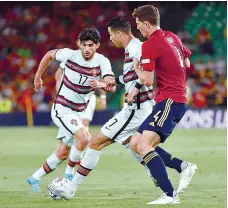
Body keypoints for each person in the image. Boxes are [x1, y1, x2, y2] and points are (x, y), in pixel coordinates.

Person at [48, 17, 156, 200]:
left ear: (119, 34)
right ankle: (164, 171)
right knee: (133, 144)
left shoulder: (135, 48)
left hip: (136, 108)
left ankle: (70, 188)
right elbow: (132, 77)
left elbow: (146, 76)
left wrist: (134, 91)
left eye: (111, 35)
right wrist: (109, 82)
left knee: (95, 142)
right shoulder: (133, 47)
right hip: (138, 107)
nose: (110, 39)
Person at [27, 28, 116, 192]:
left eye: (90, 45)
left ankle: (34, 178)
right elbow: (48, 55)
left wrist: (102, 85)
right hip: (62, 108)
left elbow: (111, 86)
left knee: (62, 153)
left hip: (77, 112)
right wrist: (38, 76)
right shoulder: (69, 55)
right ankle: (69, 176)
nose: (87, 49)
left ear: (97, 45)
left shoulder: (102, 61)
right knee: (84, 138)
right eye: (84, 45)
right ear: (80, 45)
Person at [129, 5, 197, 204]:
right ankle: (183, 166)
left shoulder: (149, 45)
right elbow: (187, 61)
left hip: (170, 100)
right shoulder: (172, 37)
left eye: (139, 25)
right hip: (174, 99)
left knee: (144, 145)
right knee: (135, 143)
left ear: (147, 23)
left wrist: (138, 69)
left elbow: (148, 81)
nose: (138, 29)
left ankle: (169, 195)